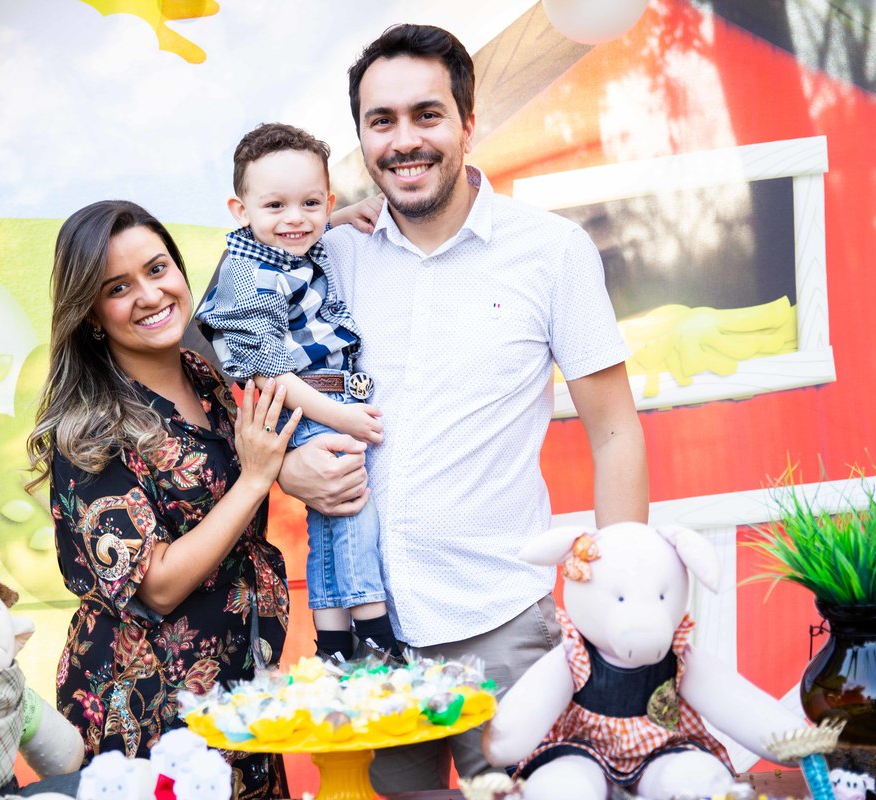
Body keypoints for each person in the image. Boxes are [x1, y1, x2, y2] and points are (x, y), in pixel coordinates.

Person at [274, 24, 650, 792]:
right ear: (361, 138)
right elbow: (239, 371)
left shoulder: (552, 251)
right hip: (372, 644)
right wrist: (286, 466)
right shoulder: (328, 258)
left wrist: (621, 603)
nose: (404, 141)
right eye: (381, 121)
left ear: (468, 123)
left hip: (504, 626)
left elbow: (615, 431)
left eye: (427, 115)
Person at [26, 200, 299, 799]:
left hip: (238, 691)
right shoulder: (91, 428)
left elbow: (266, 246)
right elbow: (158, 585)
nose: (150, 295)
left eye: (157, 269)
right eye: (118, 288)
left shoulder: (206, 376)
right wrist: (254, 480)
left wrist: (348, 215)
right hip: (146, 709)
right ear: (92, 314)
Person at [195, 122, 403, 664]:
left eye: (311, 203)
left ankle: (332, 641)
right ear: (241, 211)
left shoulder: (289, 245)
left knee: (328, 520)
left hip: (324, 397)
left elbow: (299, 227)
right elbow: (270, 375)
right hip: (304, 401)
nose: (295, 219)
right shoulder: (248, 276)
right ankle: (375, 632)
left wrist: (339, 218)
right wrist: (344, 417)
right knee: (354, 509)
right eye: (275, 206)